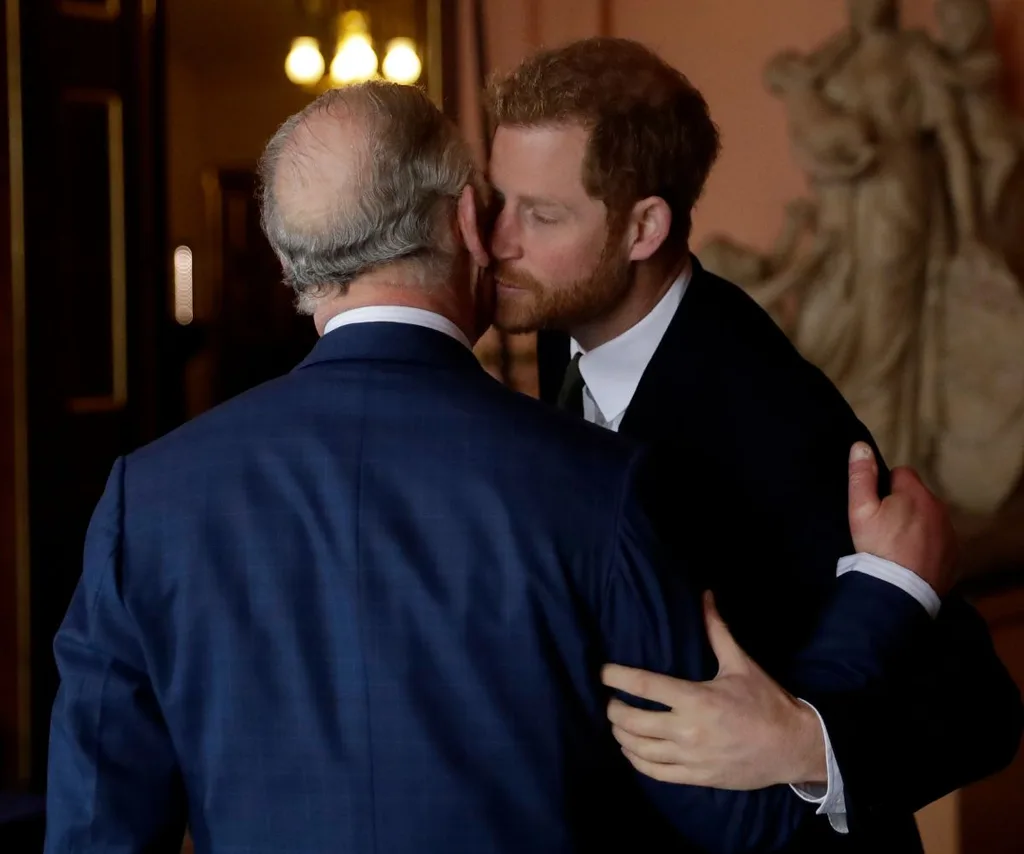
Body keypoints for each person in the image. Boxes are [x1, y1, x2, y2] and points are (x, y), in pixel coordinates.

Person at [46, 81, 962, 854]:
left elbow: (93, 831)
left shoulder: (146, 499)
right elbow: (749, 820)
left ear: (293, 266)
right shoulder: (597, 486)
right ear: (465, 223)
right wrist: (883, 597)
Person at [486, 36, 1022, 851]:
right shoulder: (572, 324)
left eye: (542, 214)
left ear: (644, 228)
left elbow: (982, 709)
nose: (499, 240)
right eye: (500, 200)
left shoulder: (768, 412)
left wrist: (806, 744)